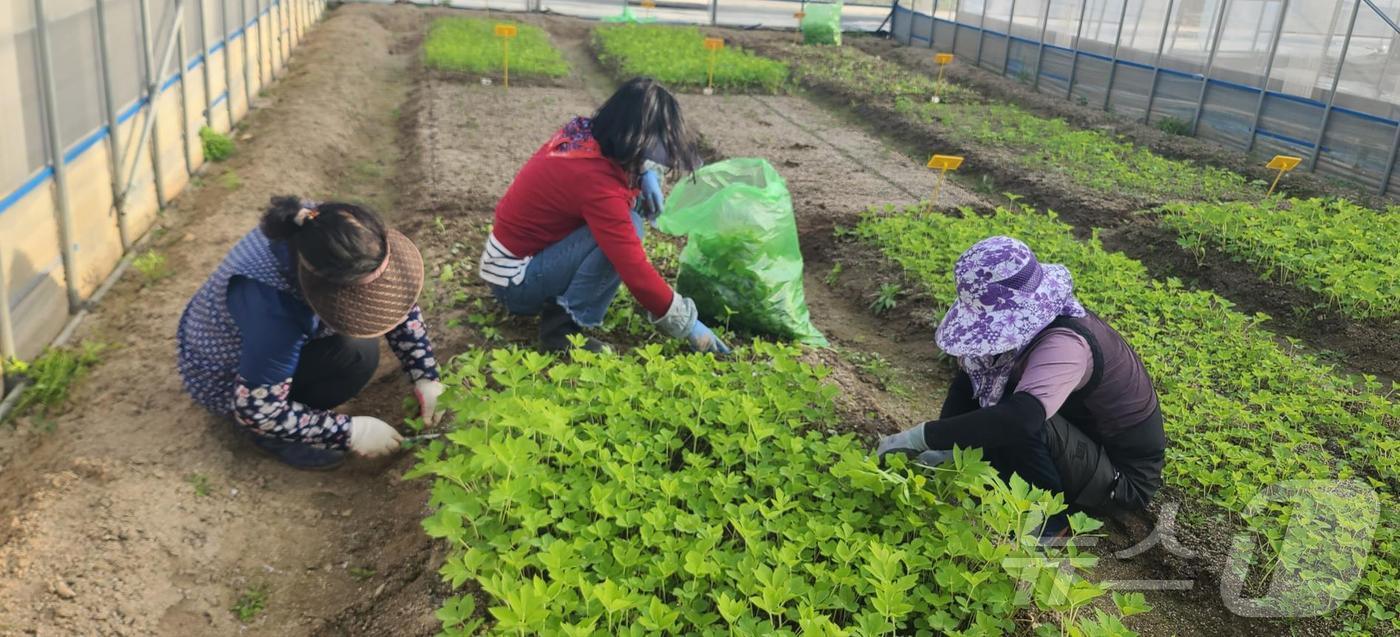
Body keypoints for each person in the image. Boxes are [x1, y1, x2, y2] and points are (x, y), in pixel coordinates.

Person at [875, 236, 1166, 533]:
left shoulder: (1066, 344)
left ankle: (1048, 519)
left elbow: (1021, 418)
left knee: (1014, 417)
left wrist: (922, 436)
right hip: (1075, 440)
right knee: (983, 377)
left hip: (1120, 475)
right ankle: (1003, 479)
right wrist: (950, 446)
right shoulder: (1030, 329)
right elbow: (969, 380)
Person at [177, 196, 445, 470]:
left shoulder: (325, 227)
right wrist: (348, 431)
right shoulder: (275, 310)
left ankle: (296, 411)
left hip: (265, 343)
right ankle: (271, 437)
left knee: (356, 351)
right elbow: (258, 409)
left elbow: (389, 298)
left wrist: (425, 375)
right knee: (356, 357)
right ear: (328, 289)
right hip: (229, 378)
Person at [479, 77, 729, 354]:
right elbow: (633, 268)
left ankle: (560, 310)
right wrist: (688, 325)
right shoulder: (596, 182)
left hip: (515, 259)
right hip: (514, 281)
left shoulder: (583, 133)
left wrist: (646, 173)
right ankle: (561, 329)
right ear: (635, 138)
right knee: (628, 230)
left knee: (626, 222)